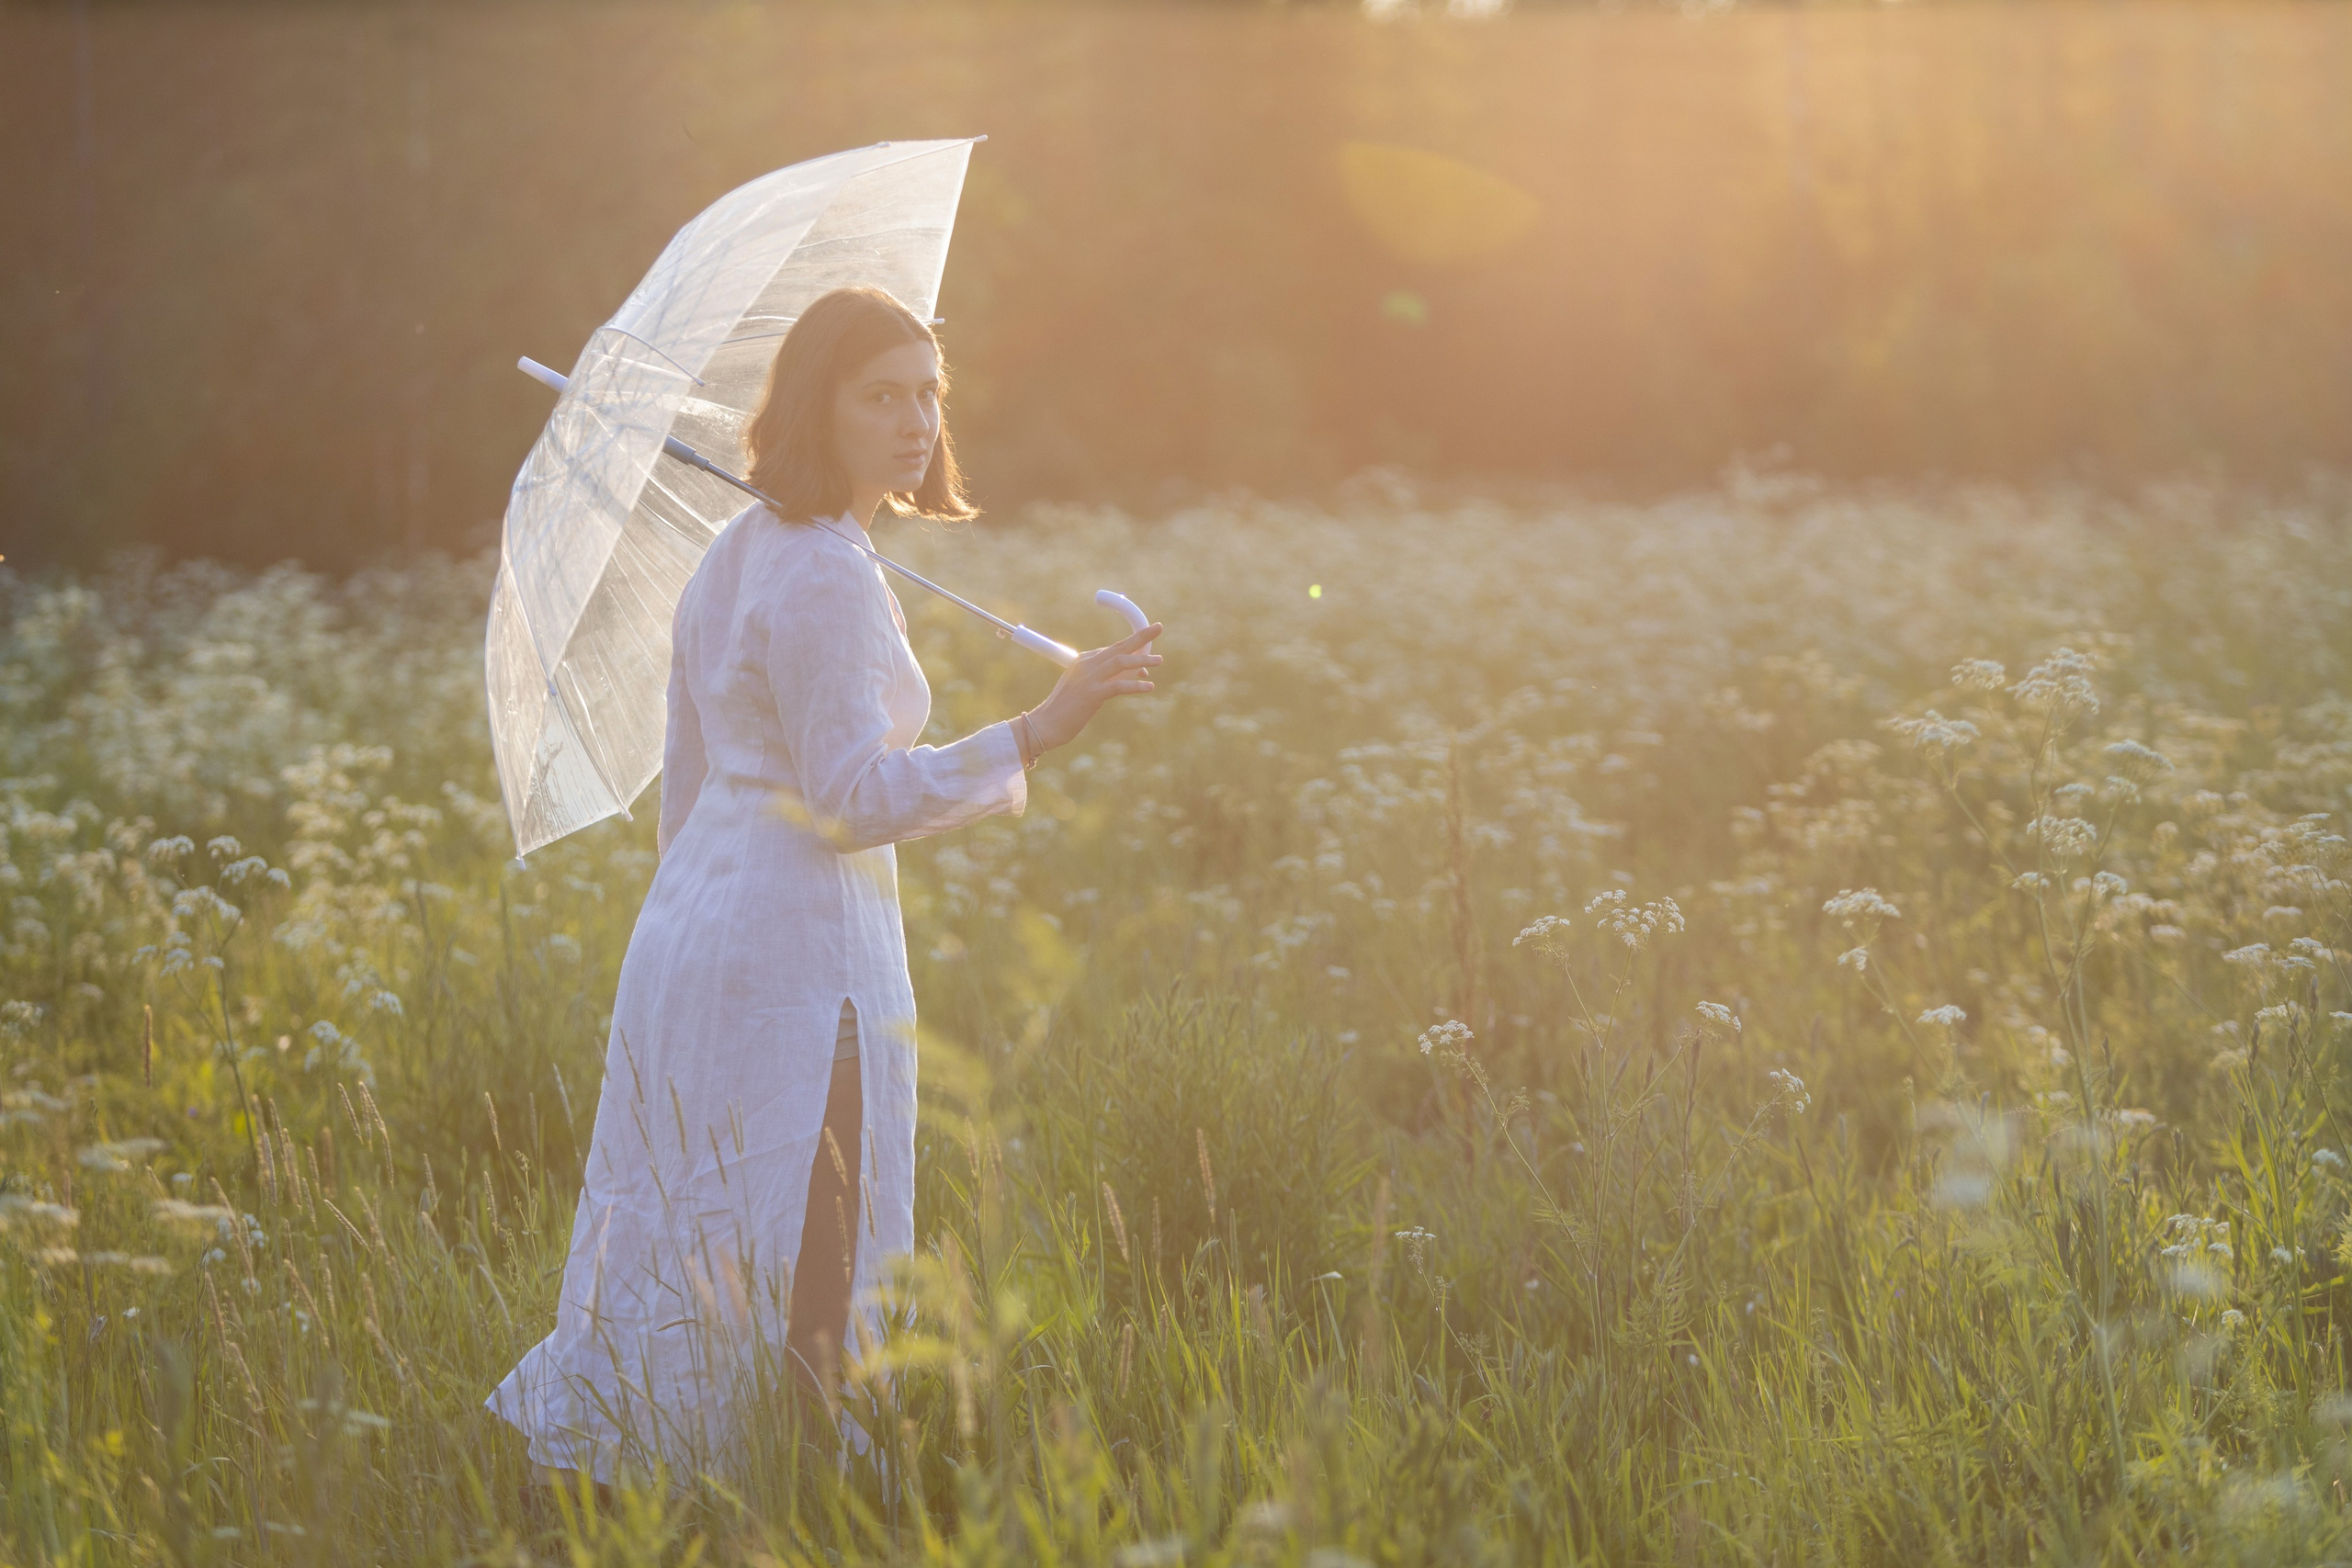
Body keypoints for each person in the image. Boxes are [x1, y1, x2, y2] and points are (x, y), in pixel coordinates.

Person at [485, 285, 1162, 1487]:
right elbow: (849, 800)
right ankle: (788, 1499)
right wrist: (1036, 732)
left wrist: (695, 924)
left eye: (927, 393)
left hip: (697, 932)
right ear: (818, 407)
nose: (915, 422)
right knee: (812, 1245)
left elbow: (691, 784)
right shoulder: (822, 574)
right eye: (880, 396)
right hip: (793, 953)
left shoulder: (744, 553)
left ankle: (650, 1476)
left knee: (694, 1221)